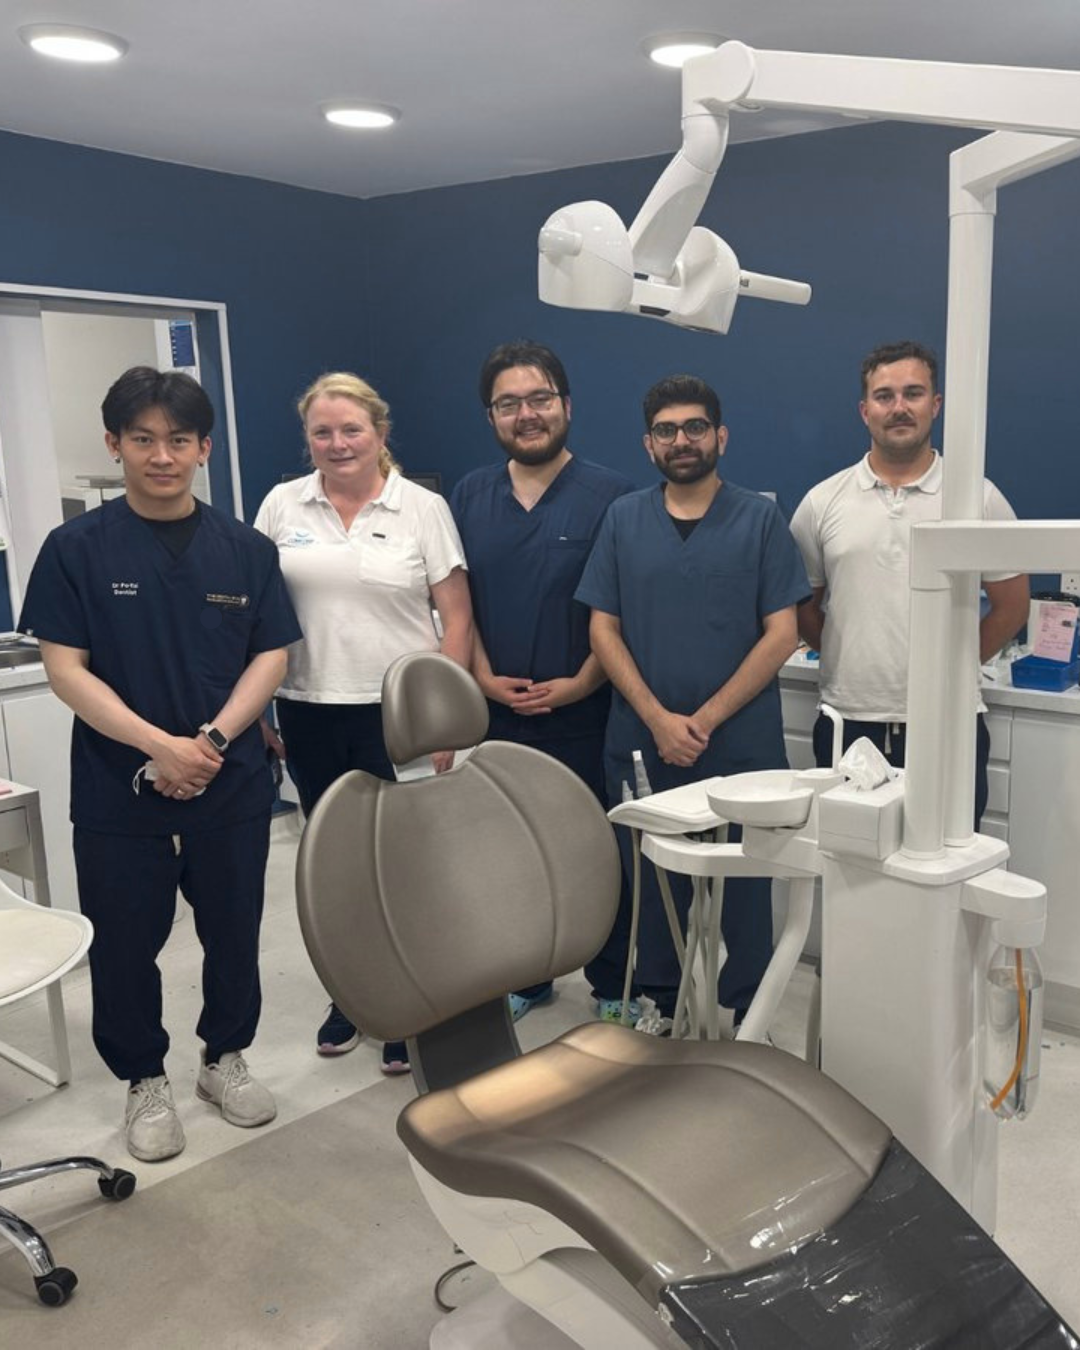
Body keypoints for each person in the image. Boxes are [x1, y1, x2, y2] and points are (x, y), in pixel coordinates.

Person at [18, 366, 301, 1163]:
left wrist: (209, 744)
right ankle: (144, 1078)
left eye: (179, 439)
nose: (162, 456)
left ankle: (224, 1058)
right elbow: (65, 669)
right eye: (142, 439)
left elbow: (271, 656)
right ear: (114, 445)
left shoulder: (246, 550)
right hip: (120, 788)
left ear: (204, 447)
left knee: (234, 932)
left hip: (229, 781)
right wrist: (159, 746)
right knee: (123, 943)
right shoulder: (76, 550)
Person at [576, 374, 810, 1028]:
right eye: (667, 430)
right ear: (648, 444)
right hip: (644, 743)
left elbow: (782, 634)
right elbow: (602, 630)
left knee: (747, 887)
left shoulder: (759, 520)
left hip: (739, 745)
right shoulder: (624, 520)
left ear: (720, 436)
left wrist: (702, 720)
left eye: (695, 427)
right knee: (654, 889)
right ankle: (661, 1003)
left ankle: (749, 1013)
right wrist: (657, 720)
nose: (682, 440)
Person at [254, 372, 472, 1073]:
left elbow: (457, 618)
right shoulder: (283, 504)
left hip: (401, 714)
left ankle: (412, 1001)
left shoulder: (422, 508)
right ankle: (352, 995)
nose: (338, 443)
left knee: (407, 865)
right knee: (339, 868)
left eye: (352, 429)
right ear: (307, 439)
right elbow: (255, 614)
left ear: (380, 433)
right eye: (322, 431)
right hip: (309, 709)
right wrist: (256, 708)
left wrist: (445, 718)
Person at [449, 340, 634, 1021]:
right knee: (511, 854)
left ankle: (612, 985)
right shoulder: (470, 495)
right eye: (509, 404)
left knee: (598, 853)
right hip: (498, 716)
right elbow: (457, 604)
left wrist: (583, 682)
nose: (526, 414)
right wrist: (482, 678)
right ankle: (529, 975)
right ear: (491, 416)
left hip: (586, 713)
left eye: (539, 399)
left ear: (566, 406)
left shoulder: (613, 496)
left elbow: (622, 608)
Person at [790, 341, 1029, 824]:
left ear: (935, 405)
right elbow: (802, 607)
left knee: (950, 858)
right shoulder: (822, 502)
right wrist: (844, 653)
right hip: (848, 720)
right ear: (865, 411)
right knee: (849, 859)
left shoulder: (977, 499)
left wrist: (952, 665)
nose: (899, 407)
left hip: (948, 720)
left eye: (913, 393)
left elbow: (1012, 607)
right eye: (884, 396)